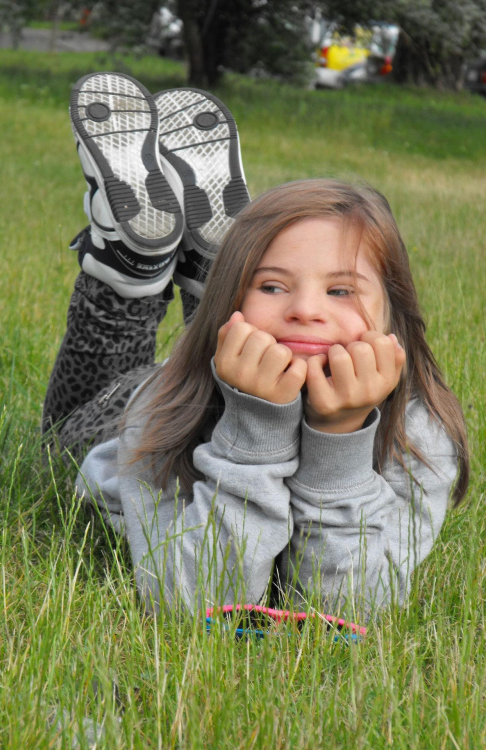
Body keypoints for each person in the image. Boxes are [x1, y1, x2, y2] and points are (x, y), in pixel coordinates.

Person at [43, 72, 469, 619]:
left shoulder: (419, 436)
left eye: (341, 290)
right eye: (273, 286)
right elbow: (191, 603)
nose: (306, 309)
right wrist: (254, 436)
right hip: (123, 412)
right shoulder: (161, 411)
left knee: (247, 322)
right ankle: (127, 267)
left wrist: (339, 442)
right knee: (63, 434)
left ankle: (194, 269)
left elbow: (344, 610)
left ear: (396, 319)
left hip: (218, 352)